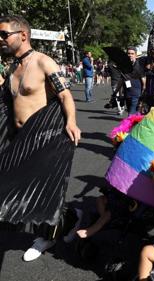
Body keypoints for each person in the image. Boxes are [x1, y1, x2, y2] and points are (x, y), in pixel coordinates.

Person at [0, 15, 82, 261]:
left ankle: (48, 235)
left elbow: (65, 95)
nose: (0, 39)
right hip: (20, 139)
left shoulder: (44, 62)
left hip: (45, 136)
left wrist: (71, 122)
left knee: (40, 190)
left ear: (22, 35)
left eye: (4, 34)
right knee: (18, 183)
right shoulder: (12, 67)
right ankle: (71, 216)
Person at [124, 46, 145, 115]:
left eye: (132, 54)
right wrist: (116, 93)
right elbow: (122, 80)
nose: (130, 55)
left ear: (136, 55)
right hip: (127, 94)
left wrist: (143, 96)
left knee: (130, 115)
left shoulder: (139, 66)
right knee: (132, 114)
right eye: (128, 53)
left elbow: (144, 82)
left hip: (136, 95)